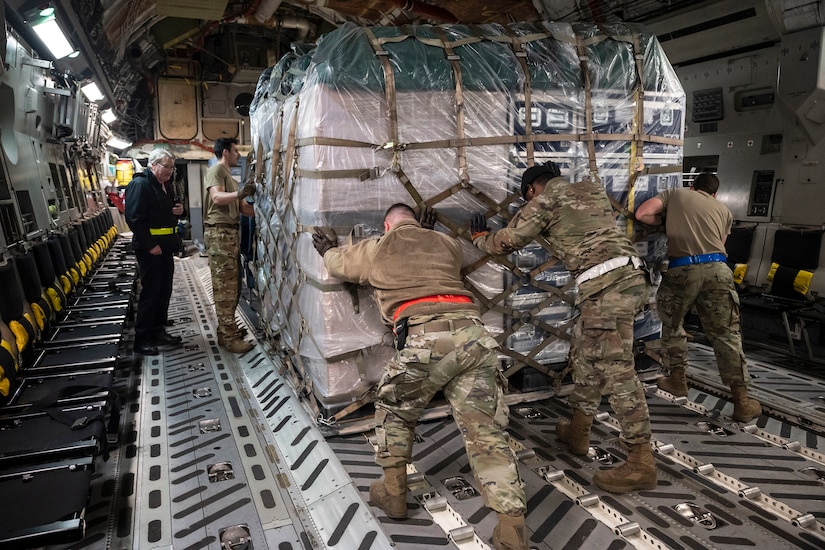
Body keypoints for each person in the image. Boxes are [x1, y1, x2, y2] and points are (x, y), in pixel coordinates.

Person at [313, 204, 528, 550]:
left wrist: (327, 250)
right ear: (417, 222)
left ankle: (394, 493)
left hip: (426, 338)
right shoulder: (447, 244)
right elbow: (436, 256)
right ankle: (512, 528)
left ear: (386, 225)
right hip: (475, 337)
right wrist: (430, 232)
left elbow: (339, 264)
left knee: (396, 410)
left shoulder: (377, 247)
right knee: (485, 431)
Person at [471, 161, 655, 494]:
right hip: (631, 277)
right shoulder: (591, 190)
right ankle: (578, 430)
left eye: (527, 197)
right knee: (587, 354)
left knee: (617, 372)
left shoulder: (544, 201)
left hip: (604, 287)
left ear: (531, 190)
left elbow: (510, 240)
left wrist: (481, 238)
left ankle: (641, 461)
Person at [635, 172, 762, 422]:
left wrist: (665, 223)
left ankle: (677, 380)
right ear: (714, 193)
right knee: (726, 334)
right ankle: (742, 401)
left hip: (683, 269)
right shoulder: (724, 211)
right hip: (719, 271)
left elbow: (642, 214)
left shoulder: (676, 194)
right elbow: (720, 243)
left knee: (673, 325)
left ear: (692, 186)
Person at [125, 149, 185, 356]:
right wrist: (150, 245)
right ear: (153, 165)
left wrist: (179, 211)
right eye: (166, 166)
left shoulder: (164, 186)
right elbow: (134, 219)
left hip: (165, 248)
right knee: (150, 293)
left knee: (163, 291)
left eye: (172, 167)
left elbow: (163, 214)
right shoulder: (140, 185)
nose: (170, 171)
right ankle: (141, 339)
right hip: (150, 250)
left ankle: (158, 330)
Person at [203, 137, 256, 354]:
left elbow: (244, 209)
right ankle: (229, 336)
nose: (238, 155)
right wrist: (240, 193)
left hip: (229, 234)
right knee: (224, 287)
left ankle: (227, 330)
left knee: (232, 286)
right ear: (225, 152)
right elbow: (217, 198)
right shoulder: (216, 171)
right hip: (220, 235)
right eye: (235, 151)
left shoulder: (230, 179)